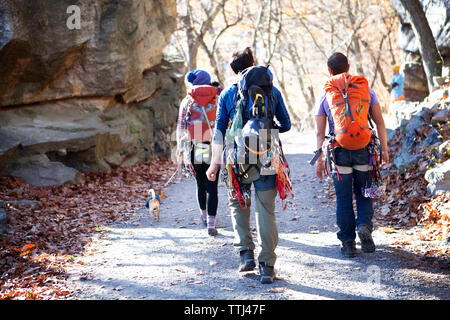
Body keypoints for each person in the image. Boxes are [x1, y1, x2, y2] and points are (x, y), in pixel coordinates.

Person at [206, 47, 291, 284]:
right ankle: (267, 266)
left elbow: (219, 131)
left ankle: (245, 255)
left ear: (234, 71)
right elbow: (286, 125)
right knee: (265, 209)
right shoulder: (272, 91)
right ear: (253, 64)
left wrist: (214, 164)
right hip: (267, 152)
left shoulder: (228, 95)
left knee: (238, 203)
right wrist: (266, 127)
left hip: (238, 156)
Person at [315, 52, 389, 258]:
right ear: (348, 66)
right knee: (366, 192)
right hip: (364, 149)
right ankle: (364, 225)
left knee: (343, 197)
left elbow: (320, 132)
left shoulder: (326, 94)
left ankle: (347, 242)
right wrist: (384, 149)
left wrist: (320, 159)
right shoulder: (366, 90)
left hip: (339, 152)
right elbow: (380, 122)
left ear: (329, 71)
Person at [176, 70, 219, 236]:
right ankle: (211, 223)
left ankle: (203, 216)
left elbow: (181, 129)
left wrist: (181, 150)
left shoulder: (187, 101)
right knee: (212, 185)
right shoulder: (217, 99)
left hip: (195, 145)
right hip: (214, 146)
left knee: (200, 183)